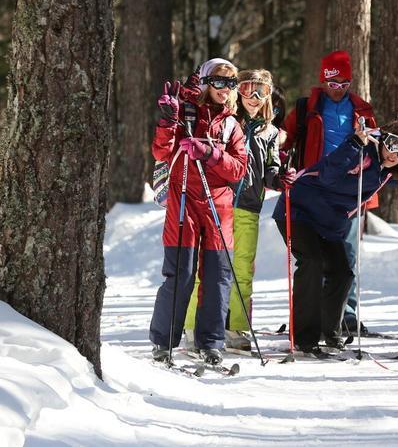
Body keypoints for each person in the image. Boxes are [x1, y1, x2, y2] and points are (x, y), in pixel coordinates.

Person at [272, 118, 398, 354]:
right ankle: (304, 336)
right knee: (312, 263)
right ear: (381, 140)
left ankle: (330, 331)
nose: (394, 154)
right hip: (299, 210)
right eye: (392, 144)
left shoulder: (387, 170)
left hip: (329, 222)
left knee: (342, 271)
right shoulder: (363, 153)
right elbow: (328, 175)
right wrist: (353, 143)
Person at [149, 58, 248, 365]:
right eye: (219, 81)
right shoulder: (186, 112)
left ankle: (211, 342)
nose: (225, 89)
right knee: (181, 273)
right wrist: (167, 122)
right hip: (184, 202)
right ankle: (164, 343)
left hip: (219, 206)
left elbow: (238, 169)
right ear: (206, 81)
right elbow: (161, 151)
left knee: (218, 276)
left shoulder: (232, 124)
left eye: (231, 83)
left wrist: (211, 152)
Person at [184, 69, 283, 351]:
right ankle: (193, 326)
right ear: (237, 91)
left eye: (261, 91)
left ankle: (235, 327)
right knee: (210, 266)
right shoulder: (229, 122)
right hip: (221, 202)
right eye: (248, 88)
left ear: (268, 95)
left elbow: (271, 168)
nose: (254, 96)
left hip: (250, 207)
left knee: (242, 270)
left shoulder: (270, 131)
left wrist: (279, 178)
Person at [281, 50, 378, 337]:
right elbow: (285, 138)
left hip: (348, 193)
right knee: (314, 257)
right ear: (323, 80)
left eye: (343, 84)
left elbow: (375, 145)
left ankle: (345, 314)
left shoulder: (362, 110)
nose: (337, 90)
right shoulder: (306, 107)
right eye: (332, 84)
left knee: (346, 255)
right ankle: (314, 313)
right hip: (314, 191)